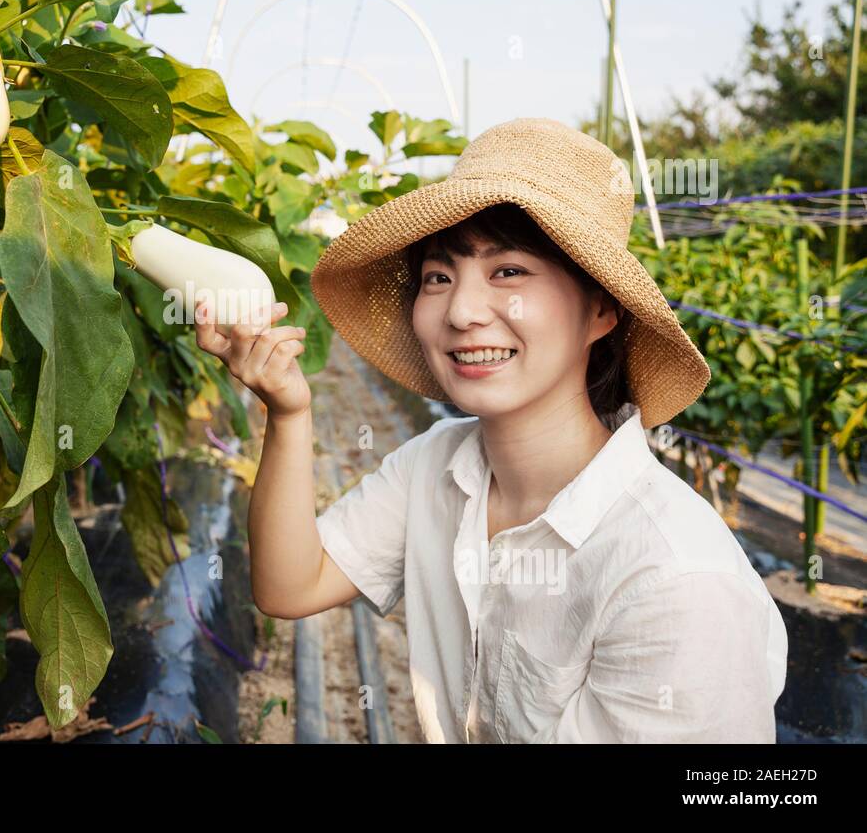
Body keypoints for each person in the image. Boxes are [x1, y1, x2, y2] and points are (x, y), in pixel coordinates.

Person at [194, 117, 788, 743]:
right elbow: (291, 584)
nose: (462, 312)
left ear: (602, 309)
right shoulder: (435, 467)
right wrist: (288, 415)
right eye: (439, 277)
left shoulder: (675, 580)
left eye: (509, 272)